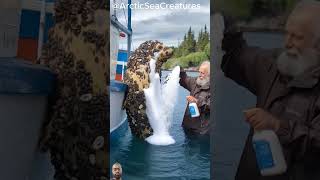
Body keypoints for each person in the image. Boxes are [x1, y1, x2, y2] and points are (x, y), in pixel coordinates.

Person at [220, 1, 320, 180]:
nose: (287, 43)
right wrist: (228, 19)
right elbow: (238, 55)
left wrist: (277, 126)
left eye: (297, 37)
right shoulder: (274, 65)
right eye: (286, 33)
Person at [179, 61, 211, 135]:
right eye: (199, 72)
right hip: (187, 128)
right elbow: (184, 79)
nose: (200, 75)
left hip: (201, 131)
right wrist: (180, 70)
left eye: (203, 73)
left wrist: (197, 102)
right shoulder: (196, 82)